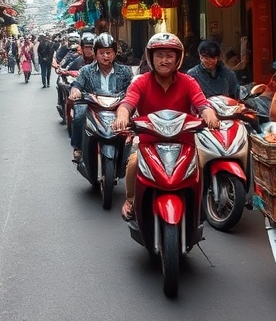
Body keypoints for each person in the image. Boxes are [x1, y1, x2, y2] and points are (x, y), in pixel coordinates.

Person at [112, 33, 220, 221]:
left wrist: (209, 115)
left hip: (184, 143)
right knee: (133, 164)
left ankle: (199, 204)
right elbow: (128, 103)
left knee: (203, 164)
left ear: (178, 59)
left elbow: (202, 104)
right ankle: (130, 200)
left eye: (169, 56)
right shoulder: (140, 81)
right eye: (159, 55)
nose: (164, 60)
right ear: (151, 58)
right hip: (149, 143)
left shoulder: (189, 81)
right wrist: (122, 115)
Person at [68, 32, 134, 162]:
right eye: (102, 52)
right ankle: (78, 148)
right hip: (94, 107)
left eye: (108, 53)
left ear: (114, 53)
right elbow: (78, 84)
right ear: (95, 53)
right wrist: (75, 91)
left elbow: (132, 88)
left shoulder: (125, 71)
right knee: (79, 114)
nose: (105, 56)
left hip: (118, 106)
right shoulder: (86, 70)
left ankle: (132, 150)